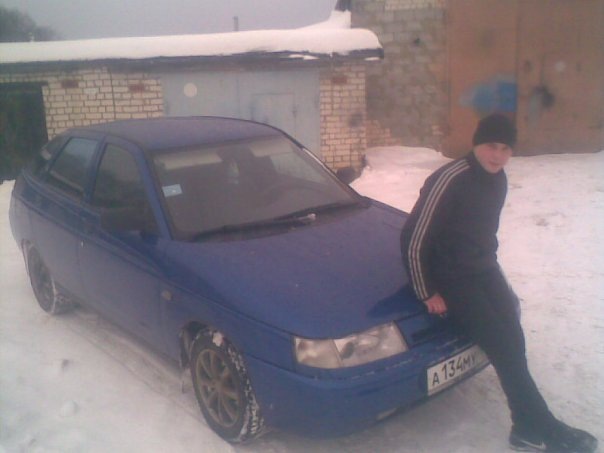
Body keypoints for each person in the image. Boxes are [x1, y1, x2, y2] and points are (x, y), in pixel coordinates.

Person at [400, 114, 597, 452]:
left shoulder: (498, 179)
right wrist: (426, 291)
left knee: (514, 338)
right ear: (477, 143)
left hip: (483, 268)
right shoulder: (449, 178)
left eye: (506, 149)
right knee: (503, 346)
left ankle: (525, 427)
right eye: (491, 146)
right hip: (451, 277)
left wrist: (488, 263)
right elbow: (413, 238)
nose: (498, 155)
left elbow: (482, 232)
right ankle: (544, 427)